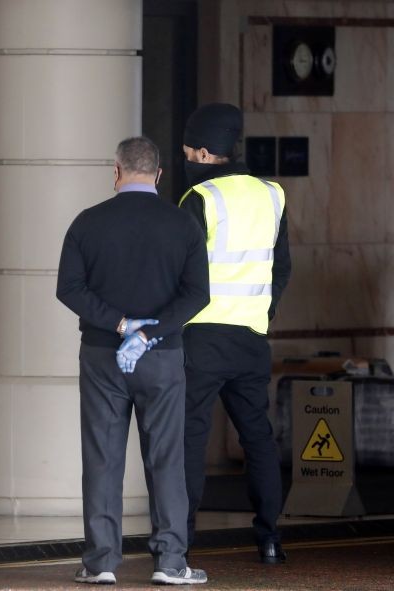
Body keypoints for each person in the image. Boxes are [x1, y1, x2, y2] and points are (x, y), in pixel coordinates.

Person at [57, 137, 210, 586]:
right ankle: (170, 563)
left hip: (103, 355)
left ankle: (101, 562)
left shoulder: (88, 222)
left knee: (102, 458)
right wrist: (149, 331)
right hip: (161, 356)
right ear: (159, 175)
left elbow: (69, 289)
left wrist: (122, 325)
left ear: (116, 170)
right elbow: (198, 294)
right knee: (166, 458)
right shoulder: (182, 224)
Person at [179, 103, 292, 564]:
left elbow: (181, 272)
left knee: (189, 438)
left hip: (200, 338)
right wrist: (261, 310)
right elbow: (282, 266)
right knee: (258, 439)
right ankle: (269, 538)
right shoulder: (273, 194)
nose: (187, 160)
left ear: (205, 154)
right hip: (251, 336)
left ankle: (178, 542)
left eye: (188, 152)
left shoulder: (199, 199)